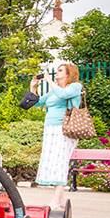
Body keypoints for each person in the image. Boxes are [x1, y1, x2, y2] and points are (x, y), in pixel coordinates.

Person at [30, 62, 83, 208]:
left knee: (60, 162)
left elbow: (63, 94)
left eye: (60, 71)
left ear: (68, 74)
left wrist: (48, 79)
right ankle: (62, 200)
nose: (57, 73)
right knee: (53, 163)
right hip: (50, 130)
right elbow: (37, 103)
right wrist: (33, 87)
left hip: (65, 129)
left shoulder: (75, 87)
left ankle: (55, 200)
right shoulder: (54, 90)